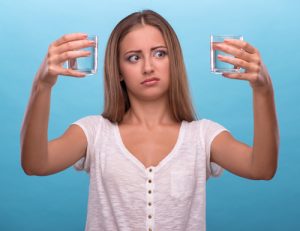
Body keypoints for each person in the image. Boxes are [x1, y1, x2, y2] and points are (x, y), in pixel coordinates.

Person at [20, 9, 279, 231]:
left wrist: (263, 90)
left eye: (159, 54)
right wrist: (42, 86)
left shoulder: (202, 136)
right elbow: (35, 164)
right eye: (134, 57)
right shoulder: (94, 132)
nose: (148, 67)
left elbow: (262, 169)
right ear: (118, 71)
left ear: (173, 60)